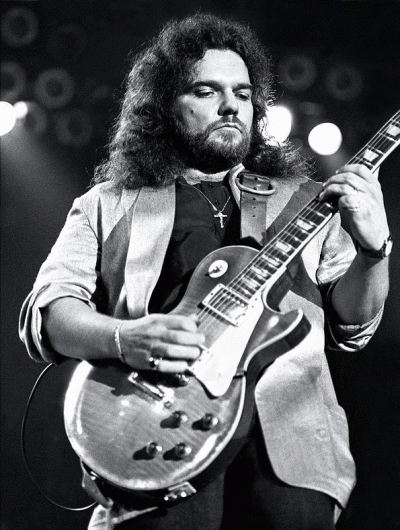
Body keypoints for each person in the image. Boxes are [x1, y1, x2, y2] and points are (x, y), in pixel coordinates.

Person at [19, 13, 391, 530]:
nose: (231, 105)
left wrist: (375, 250)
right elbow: (47, 314)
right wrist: (125, 339)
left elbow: (353, 327)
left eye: (243, 92)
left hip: (291, 451)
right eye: (206, 90)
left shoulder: (308, 202)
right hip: (154, 439)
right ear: (164, 105)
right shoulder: (106, 204)